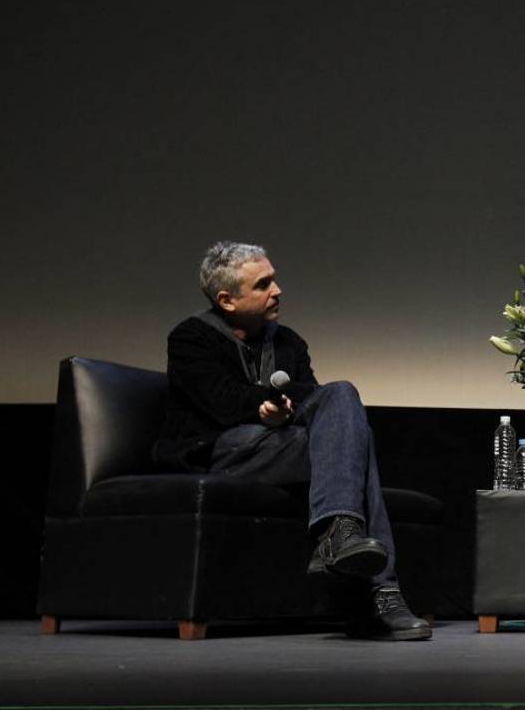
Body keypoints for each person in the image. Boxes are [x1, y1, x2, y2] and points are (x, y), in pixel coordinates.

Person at [155, 241, 431, 641]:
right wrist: (262, 407)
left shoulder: (288, 342)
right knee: (357, 441)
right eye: (263, 284)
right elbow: (220, 402)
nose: (277, 290)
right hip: (220, 453)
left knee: (341, 396)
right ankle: (382, 593)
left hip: (277, 449)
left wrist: (285, 410)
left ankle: (340, 537)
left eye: (275, 279)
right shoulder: (190, 339)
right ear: (227, 300)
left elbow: (314, 402)